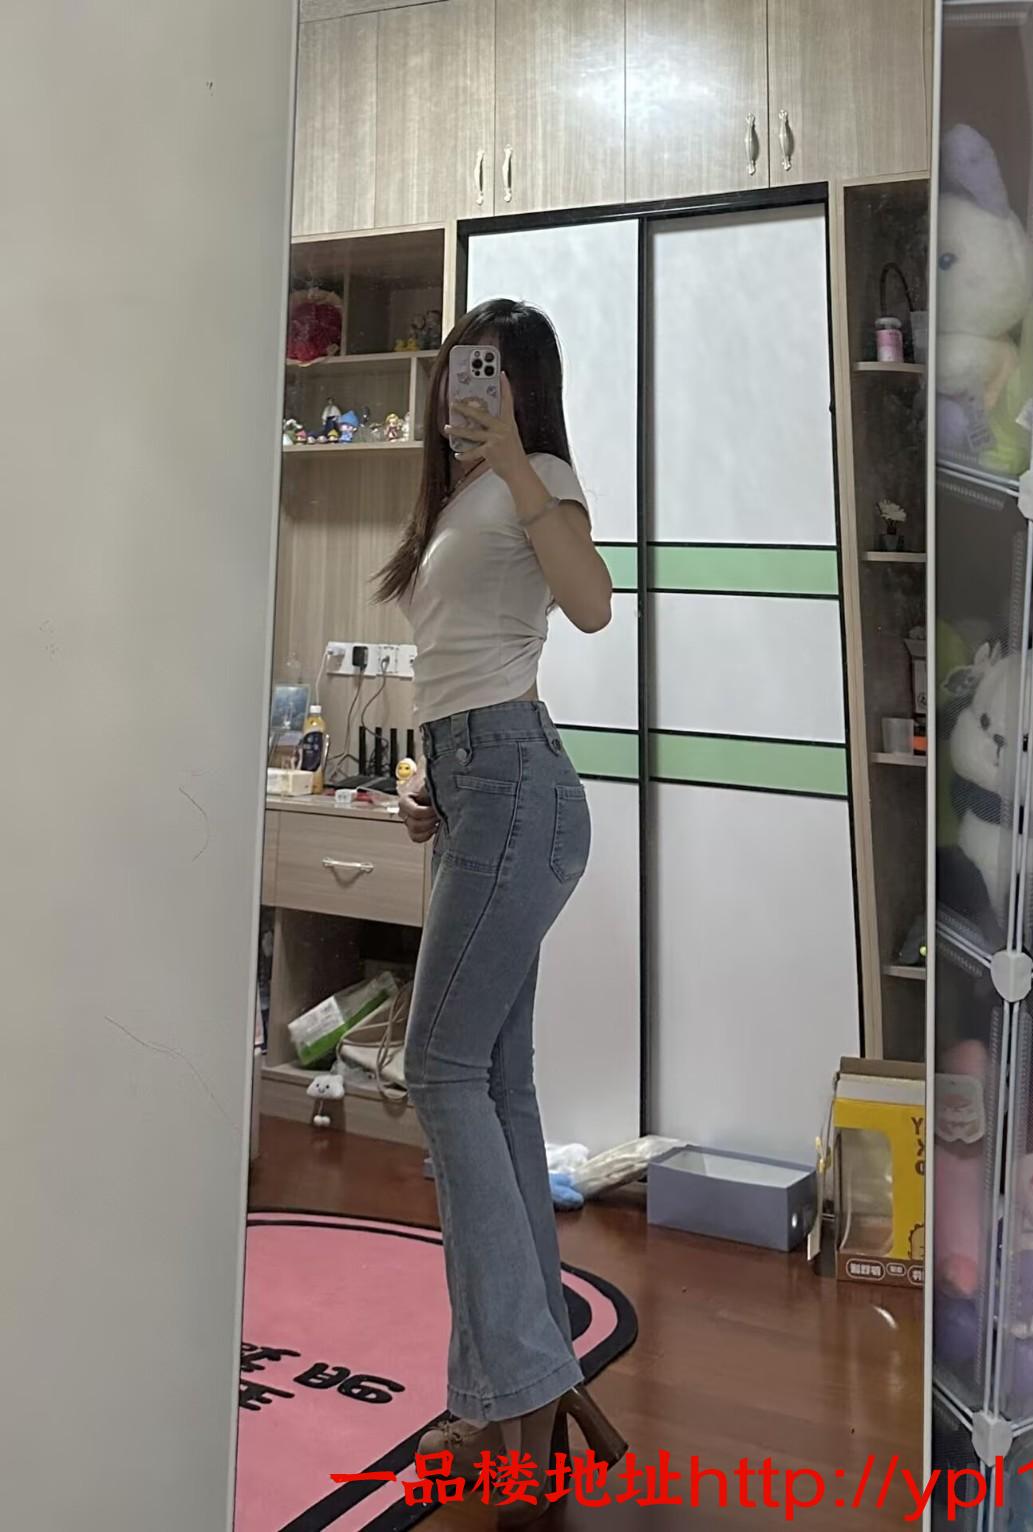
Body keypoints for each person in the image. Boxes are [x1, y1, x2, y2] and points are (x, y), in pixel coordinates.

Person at [376, 298, 626, 1526]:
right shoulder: (453, 502)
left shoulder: (541, 481)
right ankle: (530, 1386)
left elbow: (592, 603)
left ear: (522, 388)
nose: (460, 391)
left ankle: (513, 1383)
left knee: (438, 1067)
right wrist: (432, 782)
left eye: (487, 373)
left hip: (519, 786)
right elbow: (458, 664)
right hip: (477, 786)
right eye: (453, 372)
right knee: (496, 1083)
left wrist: (522, 459)